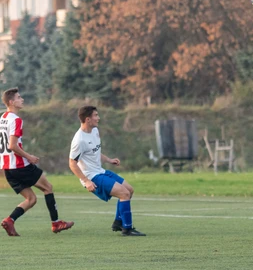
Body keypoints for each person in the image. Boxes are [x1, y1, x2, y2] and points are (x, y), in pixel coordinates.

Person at [0, 88, 74, 236]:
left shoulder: (3, 118)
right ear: (11, 102)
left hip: (7, 168)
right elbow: (12, 145)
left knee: (31, 199)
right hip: (19, 165)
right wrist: (29, 156)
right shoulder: (16, 120)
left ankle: (9, 220)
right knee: (48, 187)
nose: (22, 100)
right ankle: (56, 223)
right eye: (19, 97)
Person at [69, 106, 145, 236]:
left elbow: (94, 152)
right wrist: (86, 181)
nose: (98, 118)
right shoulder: (79, 140)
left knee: (129, 190)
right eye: (96, 115)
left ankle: (118, 222)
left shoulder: (94, 131)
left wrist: (109, 160)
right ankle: (127, 228)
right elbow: (72, 163)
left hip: (100, 171)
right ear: (88, 119)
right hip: (92, 177)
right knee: (124, 194)